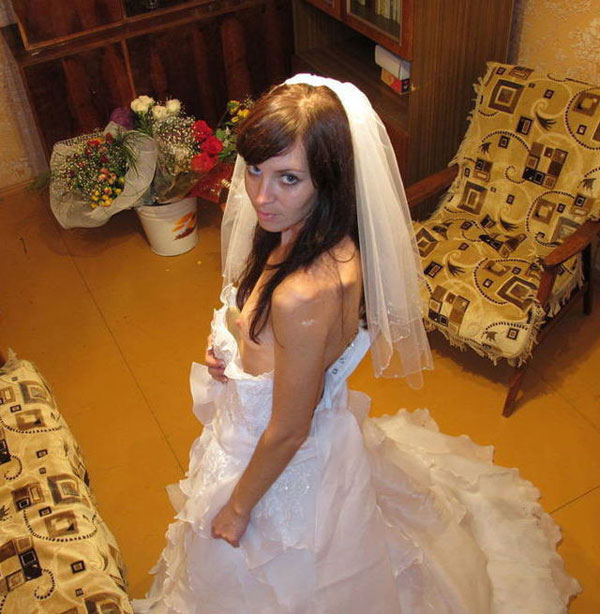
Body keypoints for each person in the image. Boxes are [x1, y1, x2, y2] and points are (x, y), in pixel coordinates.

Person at [132, 75, 579, 614]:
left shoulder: (301, 293)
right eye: (255, 170)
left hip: (274, 459)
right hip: (287, 431)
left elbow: (289, 428)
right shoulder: (326, 238)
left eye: (289, 178)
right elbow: (289, 353)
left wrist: (239, 508)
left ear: (329, 179)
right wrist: (234, 354)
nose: (261, 196)